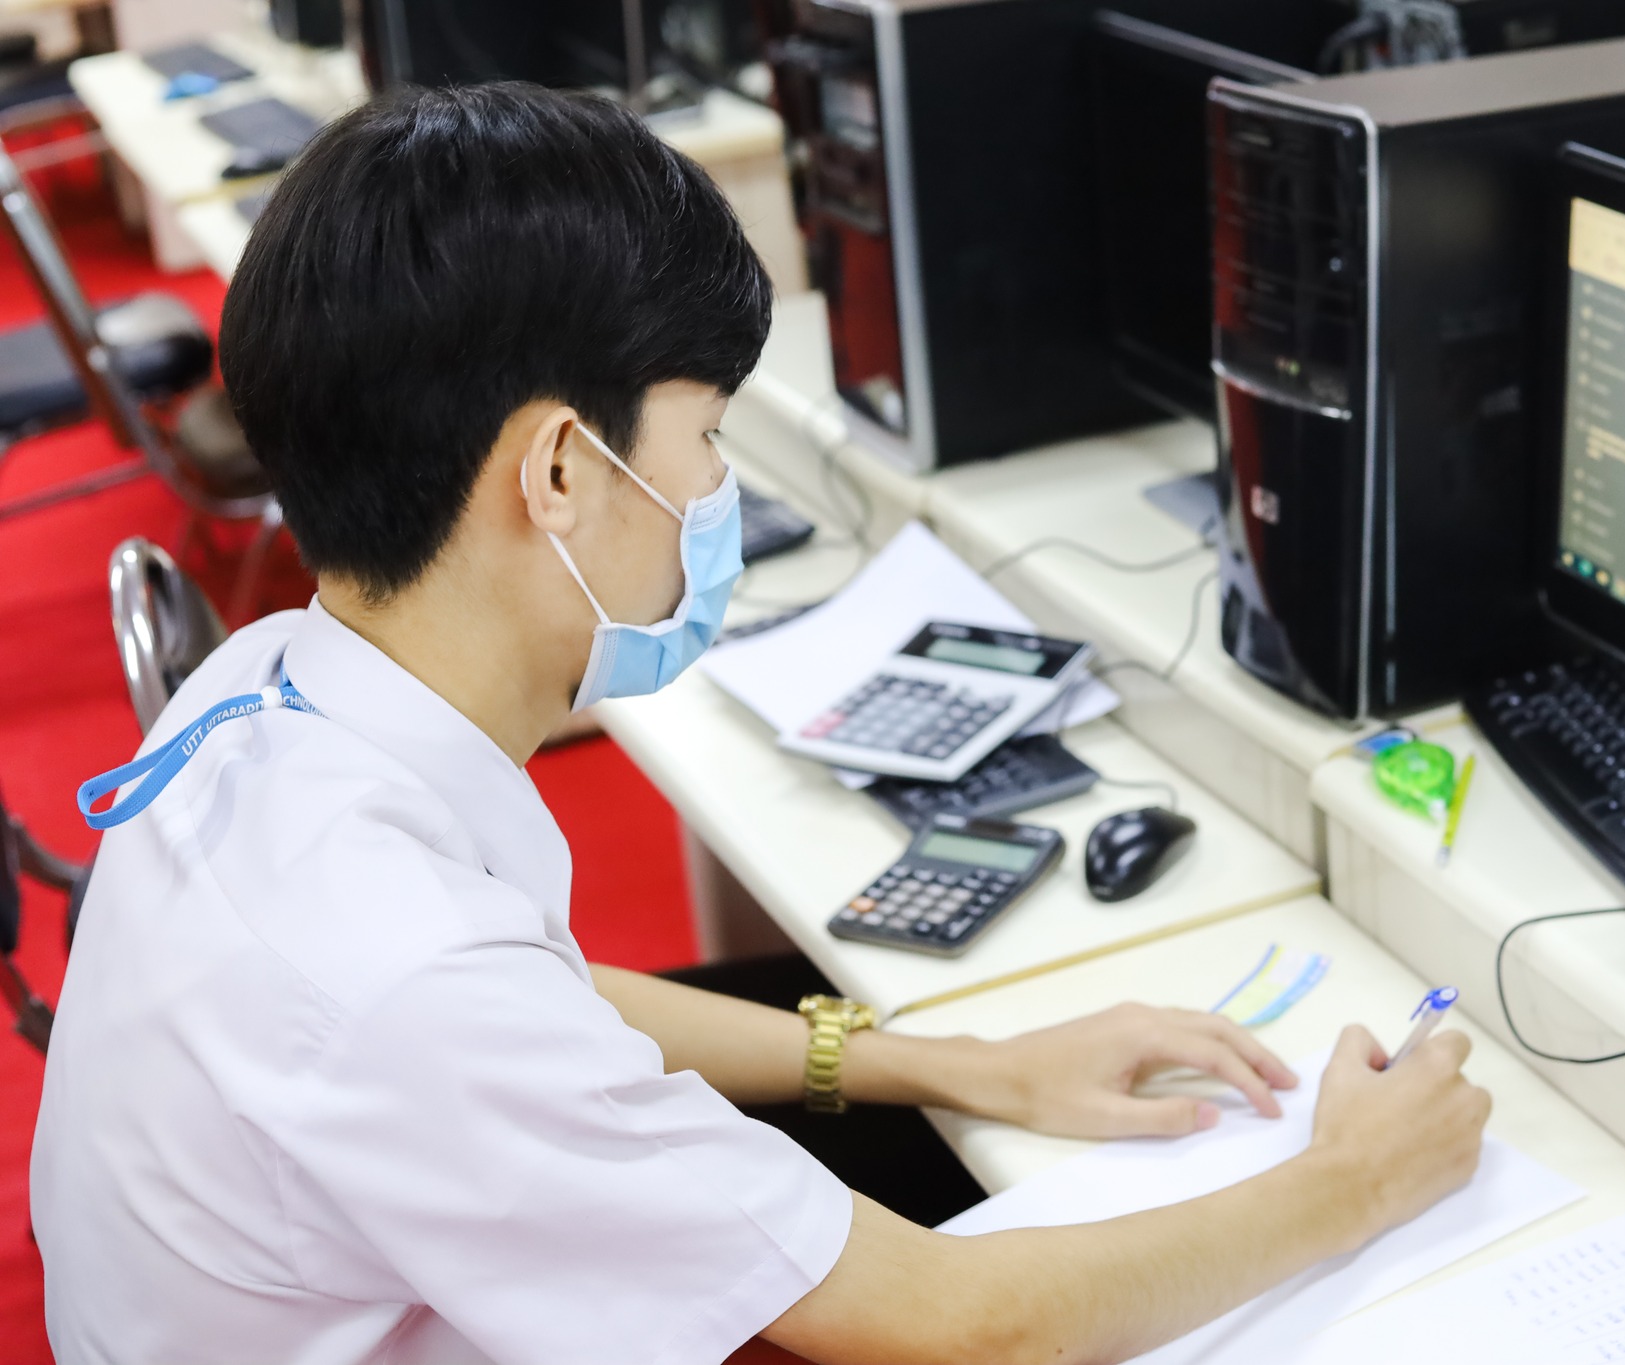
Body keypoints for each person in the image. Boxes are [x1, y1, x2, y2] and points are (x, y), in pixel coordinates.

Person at [30, 84, 1491, 1365]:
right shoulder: (399, 979)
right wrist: (1350, 1180)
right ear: (556, 469)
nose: (719, 489)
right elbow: (975, 1325)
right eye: (709, 435)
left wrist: (949, 1060)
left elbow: (543, 995)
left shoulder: (274, 680)